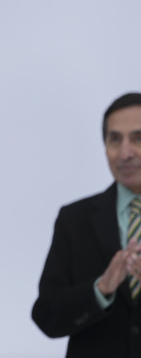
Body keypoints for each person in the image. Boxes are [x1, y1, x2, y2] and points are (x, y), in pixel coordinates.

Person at [32, 93, 141, 357]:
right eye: (115, 139)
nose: (125, 152)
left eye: (138, 138)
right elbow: (46, 316)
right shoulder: (74, 219)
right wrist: (101, 289)